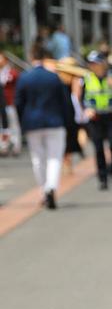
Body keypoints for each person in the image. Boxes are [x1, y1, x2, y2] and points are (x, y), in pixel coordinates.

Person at [15, 41, 72, 209]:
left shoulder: (25, 78)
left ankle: (43, 189)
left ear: (32, 57)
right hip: (55, 122)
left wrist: (22, 121)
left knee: (38, 159)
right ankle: (51, 187)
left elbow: (19, 103)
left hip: (33, 123)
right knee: (54, 157)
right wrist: (68, 122)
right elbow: (65, 102)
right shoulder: (53, 77)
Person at [82, 50, 112, 189]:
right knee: (98, 148)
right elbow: (81, 97)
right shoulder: (86, 77)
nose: (94, 66)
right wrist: (86, 109)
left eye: (96, 63)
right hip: (96, 118)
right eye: (91, 64)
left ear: (103, 64)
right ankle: (102, 178)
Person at [54, 57, 87, 170]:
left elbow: (78, 99)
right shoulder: (59, 82)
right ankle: (67, 162)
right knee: (68, 139)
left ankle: (68, 161)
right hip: (67, 114)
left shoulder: (78, 81)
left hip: (74, 113)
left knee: (73, 137)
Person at [0, 48, 22, 156]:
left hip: (9, 103)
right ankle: (3, 146)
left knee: (13, 125)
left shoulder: (12, 72)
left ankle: (15, 146)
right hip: (1, 105)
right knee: (1, 126)